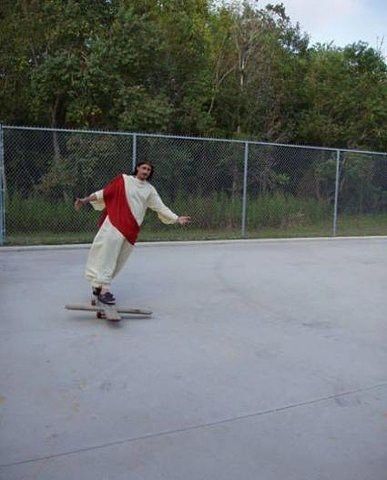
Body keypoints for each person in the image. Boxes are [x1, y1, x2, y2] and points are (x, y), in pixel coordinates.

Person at [74, 161, 191, 305]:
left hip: (130, 229)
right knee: (107, 255)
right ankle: (104, 290)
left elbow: (160, 207)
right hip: (114, 224)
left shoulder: (149, 190)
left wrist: (176, 218)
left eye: (149, 169)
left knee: (119, 259)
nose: (146, 171)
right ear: (137, 168)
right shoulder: (123, 180)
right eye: (144, 168)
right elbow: (104, 193)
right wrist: (85, 200)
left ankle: (97, 287)